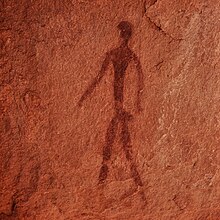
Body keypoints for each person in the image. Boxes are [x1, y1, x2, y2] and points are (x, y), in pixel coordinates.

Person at [78, 21, 144, 188]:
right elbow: (140, 78)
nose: (122, 37)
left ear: (122, 35)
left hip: (119, 104)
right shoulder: (129, 55)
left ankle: (109, 176)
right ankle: (132, 177)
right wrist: (137, 101)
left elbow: (99, 77)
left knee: (117, 136)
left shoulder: (114, 54)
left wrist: (85, 95)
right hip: (119, 104)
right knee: (119, 134)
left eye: (121, 34)